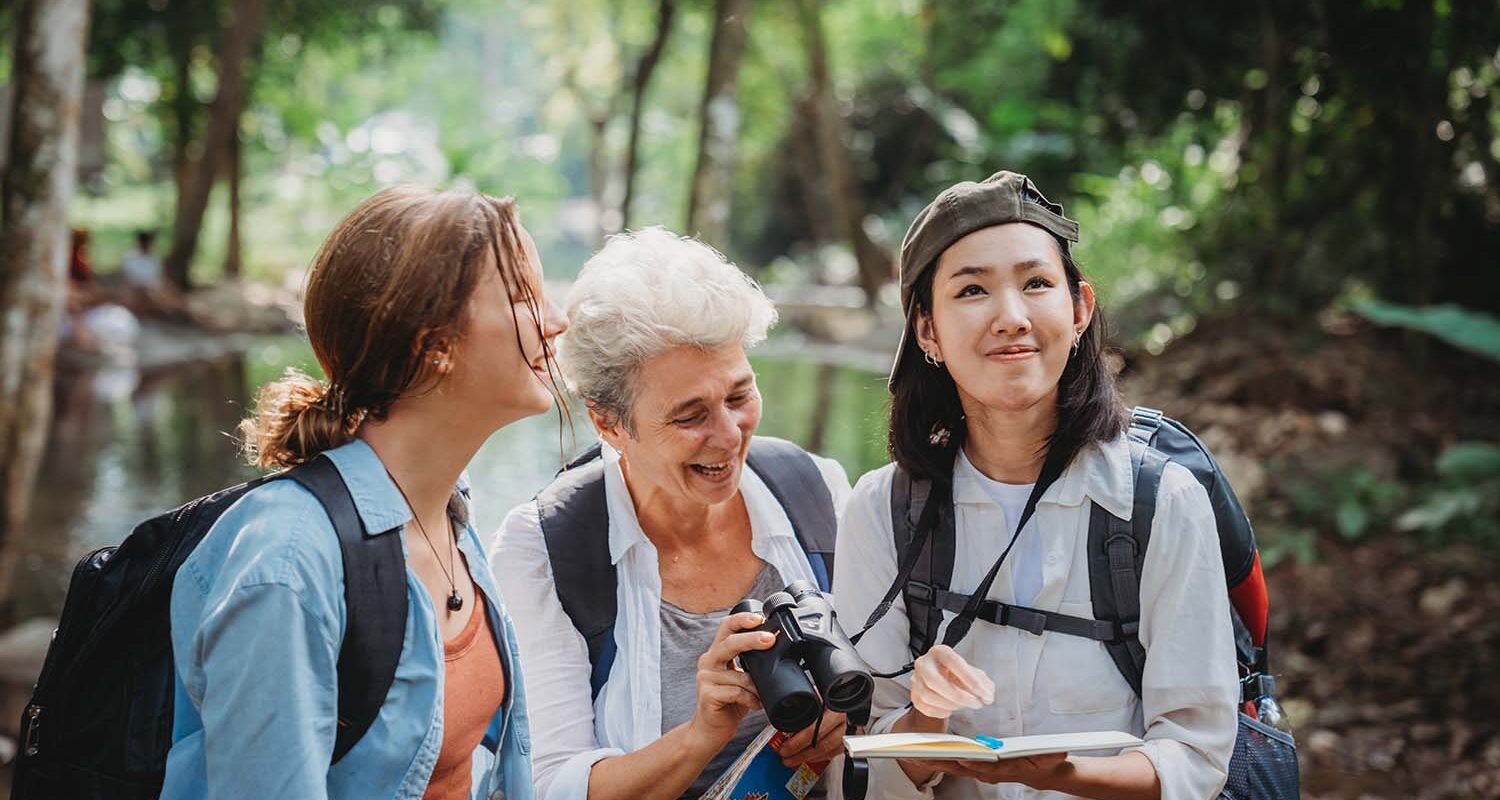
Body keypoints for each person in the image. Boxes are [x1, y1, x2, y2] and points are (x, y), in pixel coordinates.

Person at [833, 171, 1238, 800]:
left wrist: (1067, 776)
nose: (1012, 317)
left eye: (1037, 284)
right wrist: (927, 715)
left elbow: (1197, 757)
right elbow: (859, 772)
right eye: (971, 290)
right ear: (927, 332)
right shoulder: (882, 511)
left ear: (1079, 310)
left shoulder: (1161, 504)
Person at [163, 186, 567, 800]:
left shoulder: (448, 511)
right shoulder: (289, 563)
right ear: (434, 348)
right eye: (523, 297)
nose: (556, 318)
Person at [493, 227, 853, 800]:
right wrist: (701, 735)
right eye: (690, 417)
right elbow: (549, 783)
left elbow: (887, 688)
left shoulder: (817, 491)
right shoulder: (544, 545)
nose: (730, 435)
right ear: (608, 424)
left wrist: (845, 718)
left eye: (739, 396)